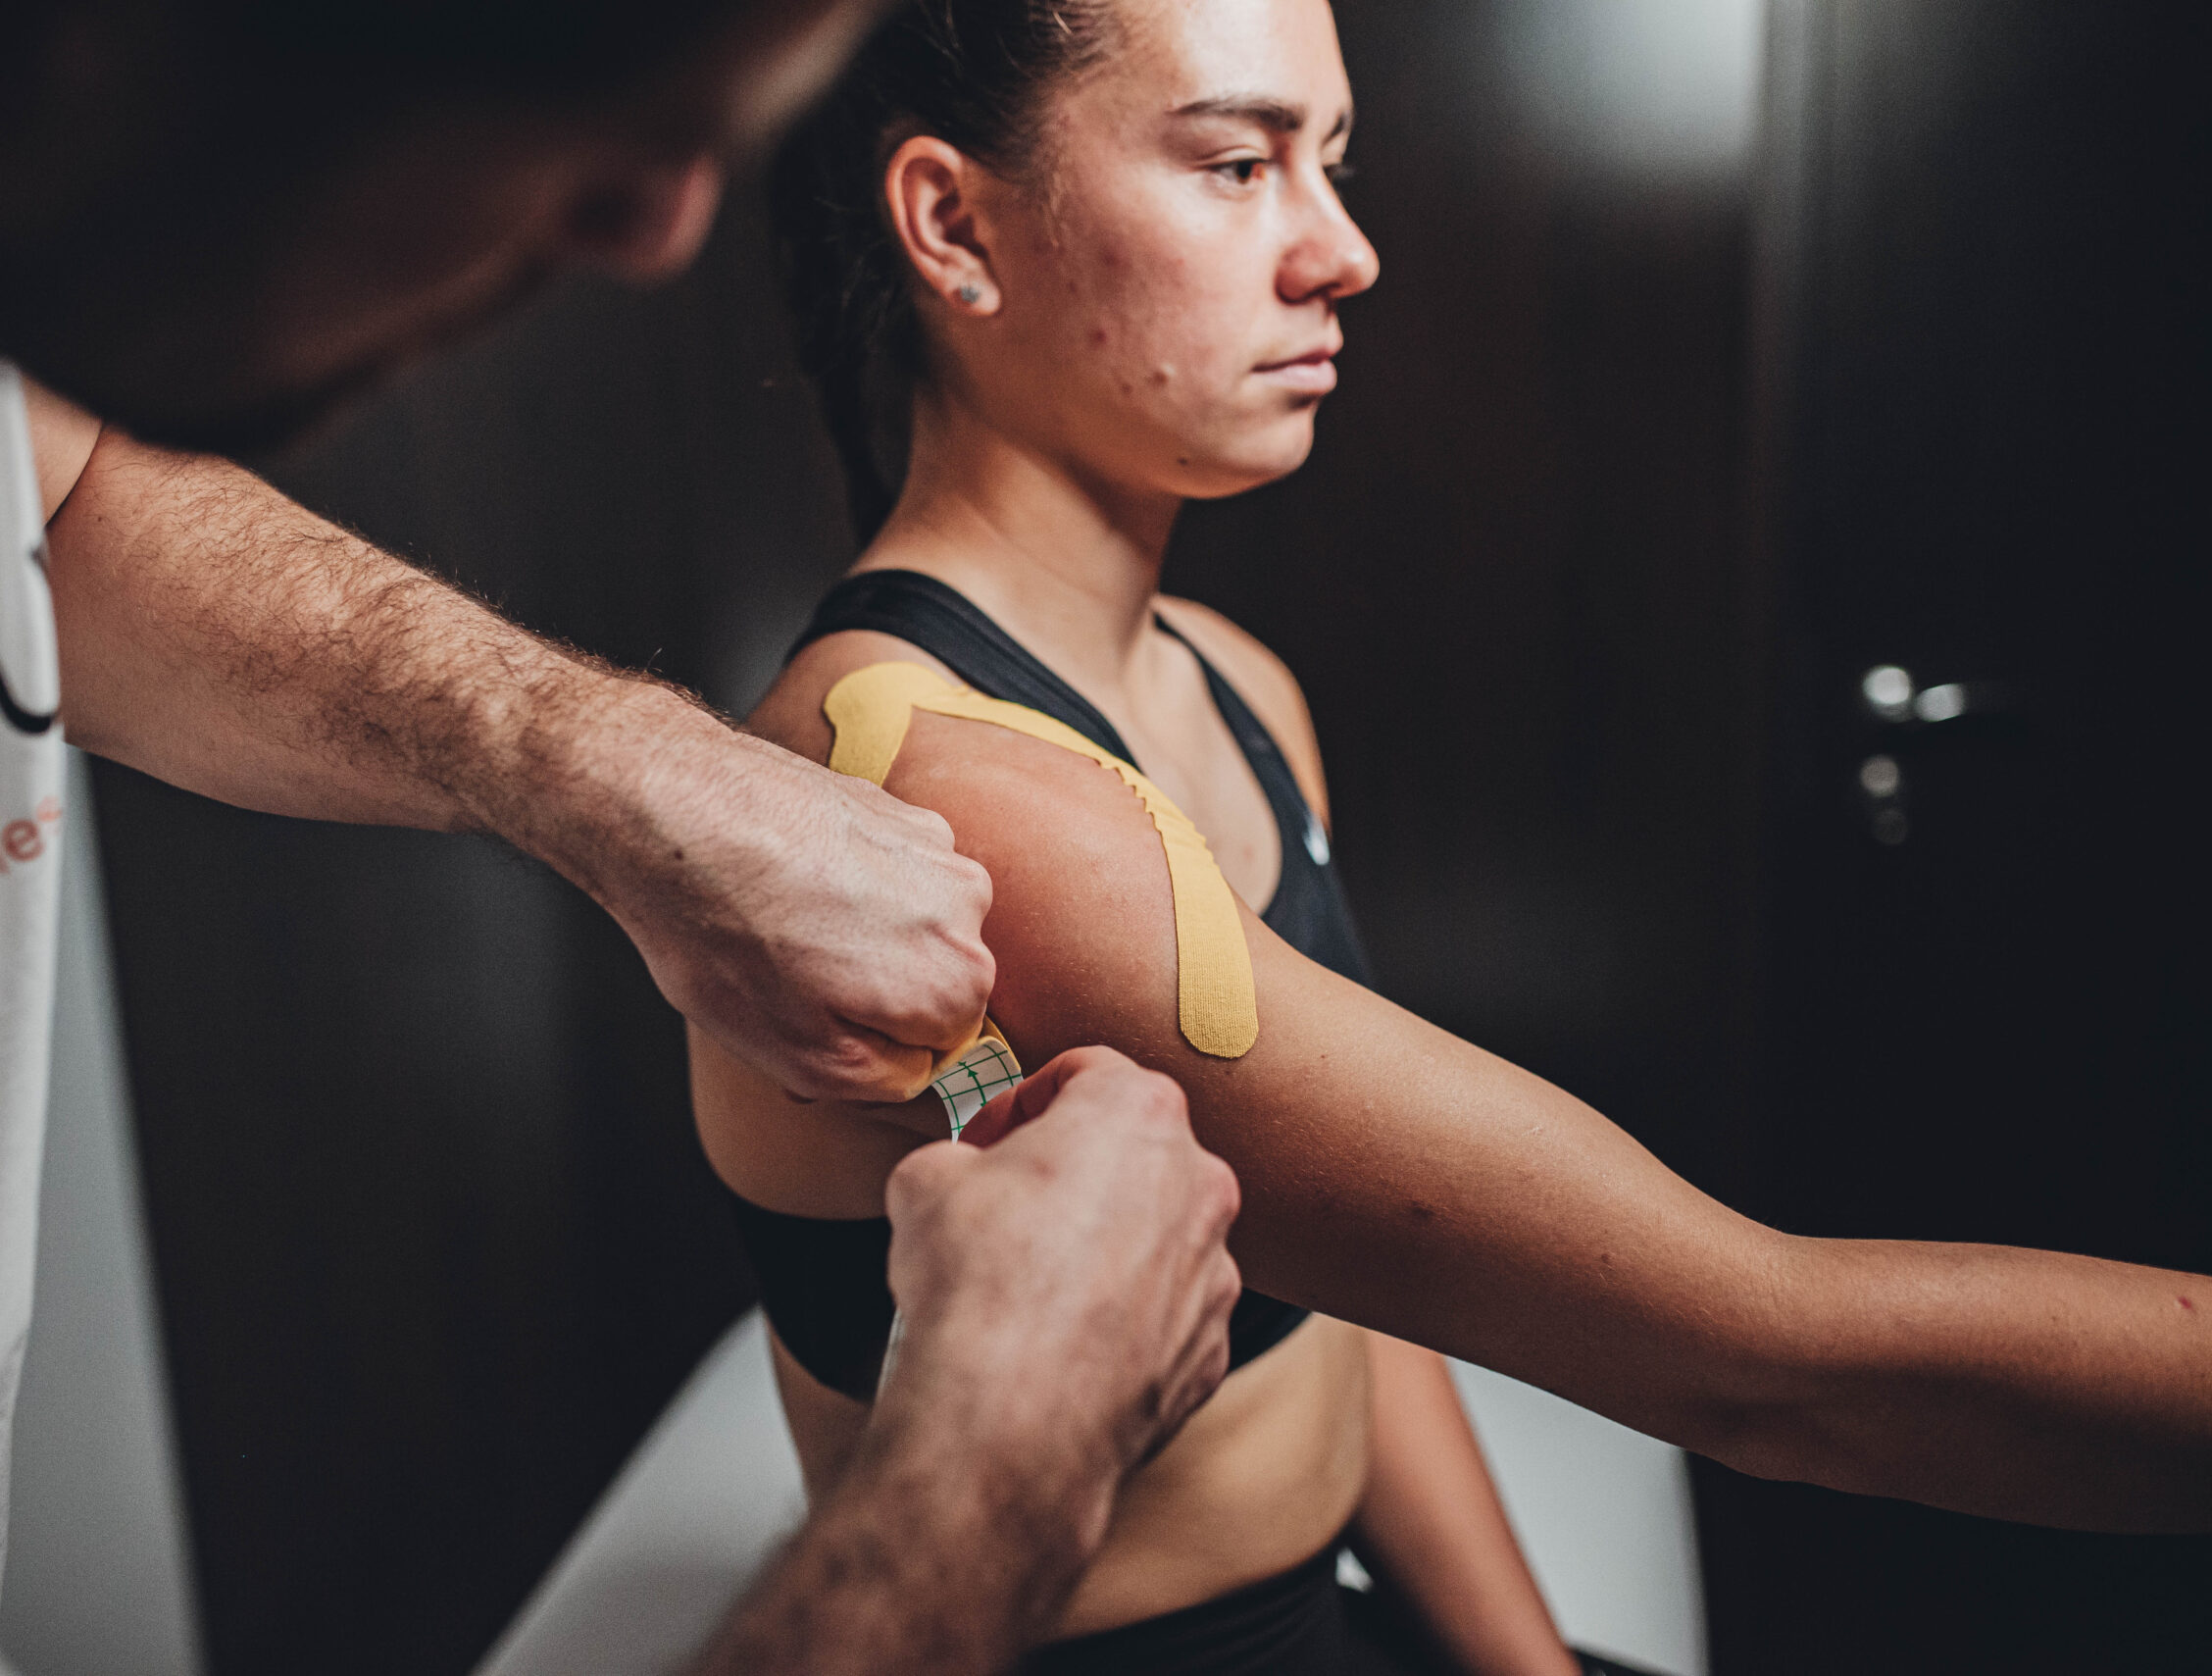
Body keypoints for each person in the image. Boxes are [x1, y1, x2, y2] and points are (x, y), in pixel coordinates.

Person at [0, 4, 1248, 1674]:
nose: (665, 227)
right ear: (25, 53)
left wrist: (598, 756)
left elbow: (54, 496)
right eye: (576, 89)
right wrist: (1000, 1467)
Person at [694, 0, 2212, 1665]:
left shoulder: (1235, 688)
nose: (1342, 253)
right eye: (1237, 164)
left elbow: (1363, 1270)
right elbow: (1773, 1362)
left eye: (1331, 163)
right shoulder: (939, 803)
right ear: (953, 224)